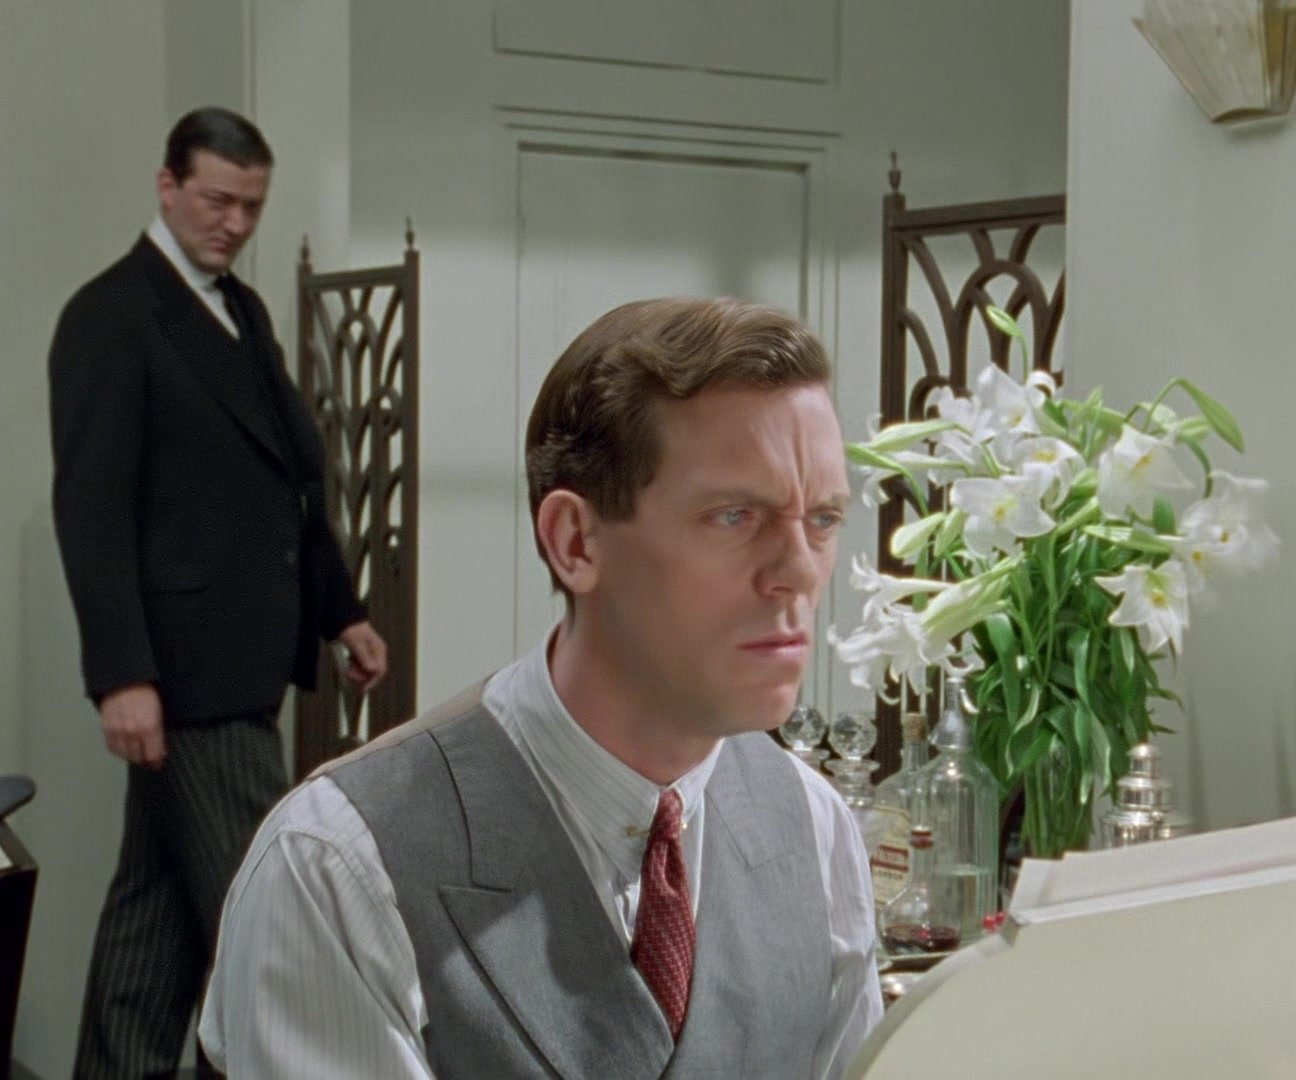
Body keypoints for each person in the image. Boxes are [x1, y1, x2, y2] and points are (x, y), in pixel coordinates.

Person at [200, 297, 883, 1077]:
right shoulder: (338, 869)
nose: (799, 571)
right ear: (574, 541)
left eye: (823, 520)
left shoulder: (815, 829)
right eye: (736, 516)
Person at [48, 106, 388, 1078]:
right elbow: (93, 509)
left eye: (251, 206)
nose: (234, 223)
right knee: (270, 913)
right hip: (187, 677)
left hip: (242, 661)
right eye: (216, 200)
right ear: (167, 186)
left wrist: (342, 611)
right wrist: (122, 675)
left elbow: (285, 482)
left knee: (150, 925)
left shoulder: (239, 309)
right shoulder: (111, 315)